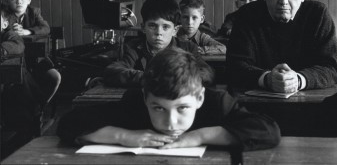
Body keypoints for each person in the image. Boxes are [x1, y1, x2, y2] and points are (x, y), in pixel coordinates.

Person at [57, 48, 281, 150]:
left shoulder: (217, 103)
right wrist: (123, 136)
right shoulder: (134, 104)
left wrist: (200, 135)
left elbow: (268, 131)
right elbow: (68, 124)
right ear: (146, 99)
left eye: (182, 108)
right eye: (159, 108)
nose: (171, 122)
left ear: (199, 98)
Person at [226, 0, 337, 93]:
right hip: (255, 106)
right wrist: (267, 79)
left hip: (309, 106)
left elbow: (331, 67)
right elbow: (235, 66)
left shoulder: (318, 14)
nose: (283, 1)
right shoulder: (247, 15)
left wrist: (298, 79)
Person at [103, 0, 201, 87]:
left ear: (175, 30)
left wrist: (177, 77)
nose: (159, 33)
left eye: (165, 27)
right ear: (143, 28)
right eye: (152, 26)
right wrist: (150, 78)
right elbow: (112, 71)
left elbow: (205, 73)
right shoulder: (133, 48)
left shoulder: (188, 48)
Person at [1, 10, 59, 143]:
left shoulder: (9, 35)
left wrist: (2, 50)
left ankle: (30, 120)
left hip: (16, 79)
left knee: (20, 92)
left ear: (4, 24)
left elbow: (18, 45)